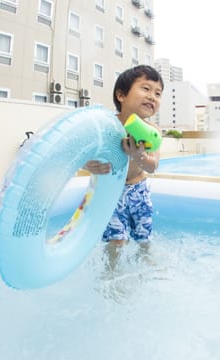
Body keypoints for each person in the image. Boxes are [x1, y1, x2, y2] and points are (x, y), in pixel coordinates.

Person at [84, 65, 164, 266]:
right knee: (116, 241)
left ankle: (146, 260)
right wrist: (87, 165)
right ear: (121, 95)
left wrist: (139, 157)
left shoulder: (152, 130)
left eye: (158, 93)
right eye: (145, 89)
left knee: (143, 236)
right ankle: (112, 272)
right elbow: (83, 156)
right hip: (111, 191)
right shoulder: (106, 127)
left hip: (139, 192)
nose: (152, 96)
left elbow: (153, 166)